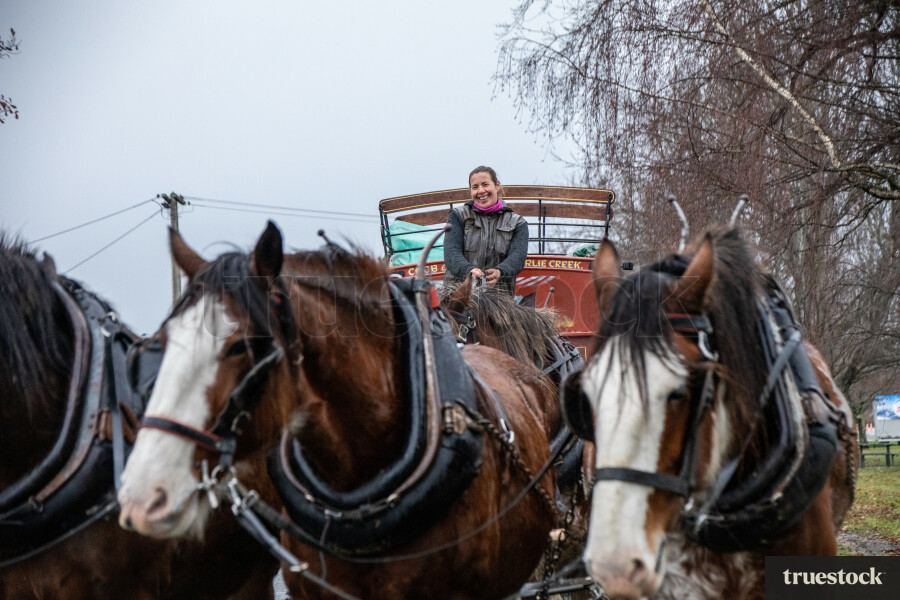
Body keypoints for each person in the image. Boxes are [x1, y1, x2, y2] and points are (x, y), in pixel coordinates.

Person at [443, 166, 528, 295]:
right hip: (458, 296)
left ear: (497, 185)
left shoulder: (518, 223)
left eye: (485, 184)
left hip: (499, 300)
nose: (481, 191)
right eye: (475, 187)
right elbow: (451, 253)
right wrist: (469, 271)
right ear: (471, 191)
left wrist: (500, 271)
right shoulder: (457, 216)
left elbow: (517, 258)